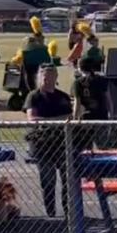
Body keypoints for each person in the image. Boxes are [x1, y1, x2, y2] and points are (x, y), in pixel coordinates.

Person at [24, 66, 73, 218]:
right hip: (42, 143)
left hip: (61, 142)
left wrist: (54, 121)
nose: (47, 80)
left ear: (56, 77)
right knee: (48, 180)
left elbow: (70, 117)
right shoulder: (34, 96)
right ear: (40, 78)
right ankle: (51, 212)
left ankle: (69, 211)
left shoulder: (63, 97)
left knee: (68, 179)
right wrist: (56, 121)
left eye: (50, 77)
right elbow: (32, 119)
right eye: (44, 78)